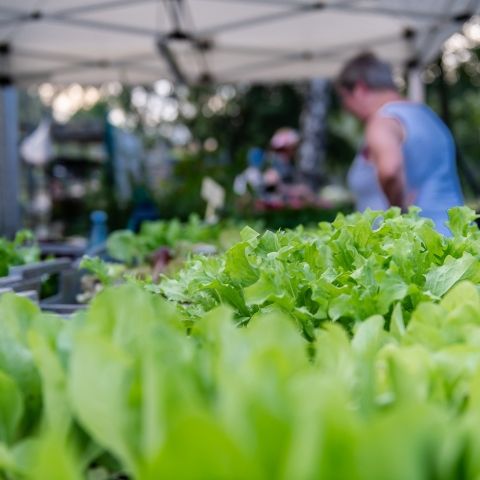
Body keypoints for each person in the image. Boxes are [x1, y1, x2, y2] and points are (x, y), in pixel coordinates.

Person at [336, 52, 464, 235]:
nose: (346, 107)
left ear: (360, 89)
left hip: (420, 250)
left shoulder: (382, 121)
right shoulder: (428, 116)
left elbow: (390, 170)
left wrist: (399, 214)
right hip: (456, 238)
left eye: (344, 98)